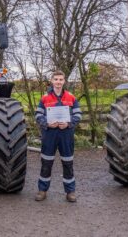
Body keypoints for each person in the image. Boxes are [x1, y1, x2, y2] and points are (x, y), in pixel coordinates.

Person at [35, 70, 82, 203]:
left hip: (66, 134)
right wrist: (47, 123)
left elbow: (78, 115)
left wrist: (68, 123)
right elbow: (38, 115)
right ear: (52, 81)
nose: (58, 82)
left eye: (61, 79)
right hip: (49, 134)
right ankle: (42, 190)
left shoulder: (71, 97)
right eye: (56, 79)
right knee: (46, 163)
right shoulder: (45, 98)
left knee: (68, 163)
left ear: (64, 81)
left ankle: (70, 191)